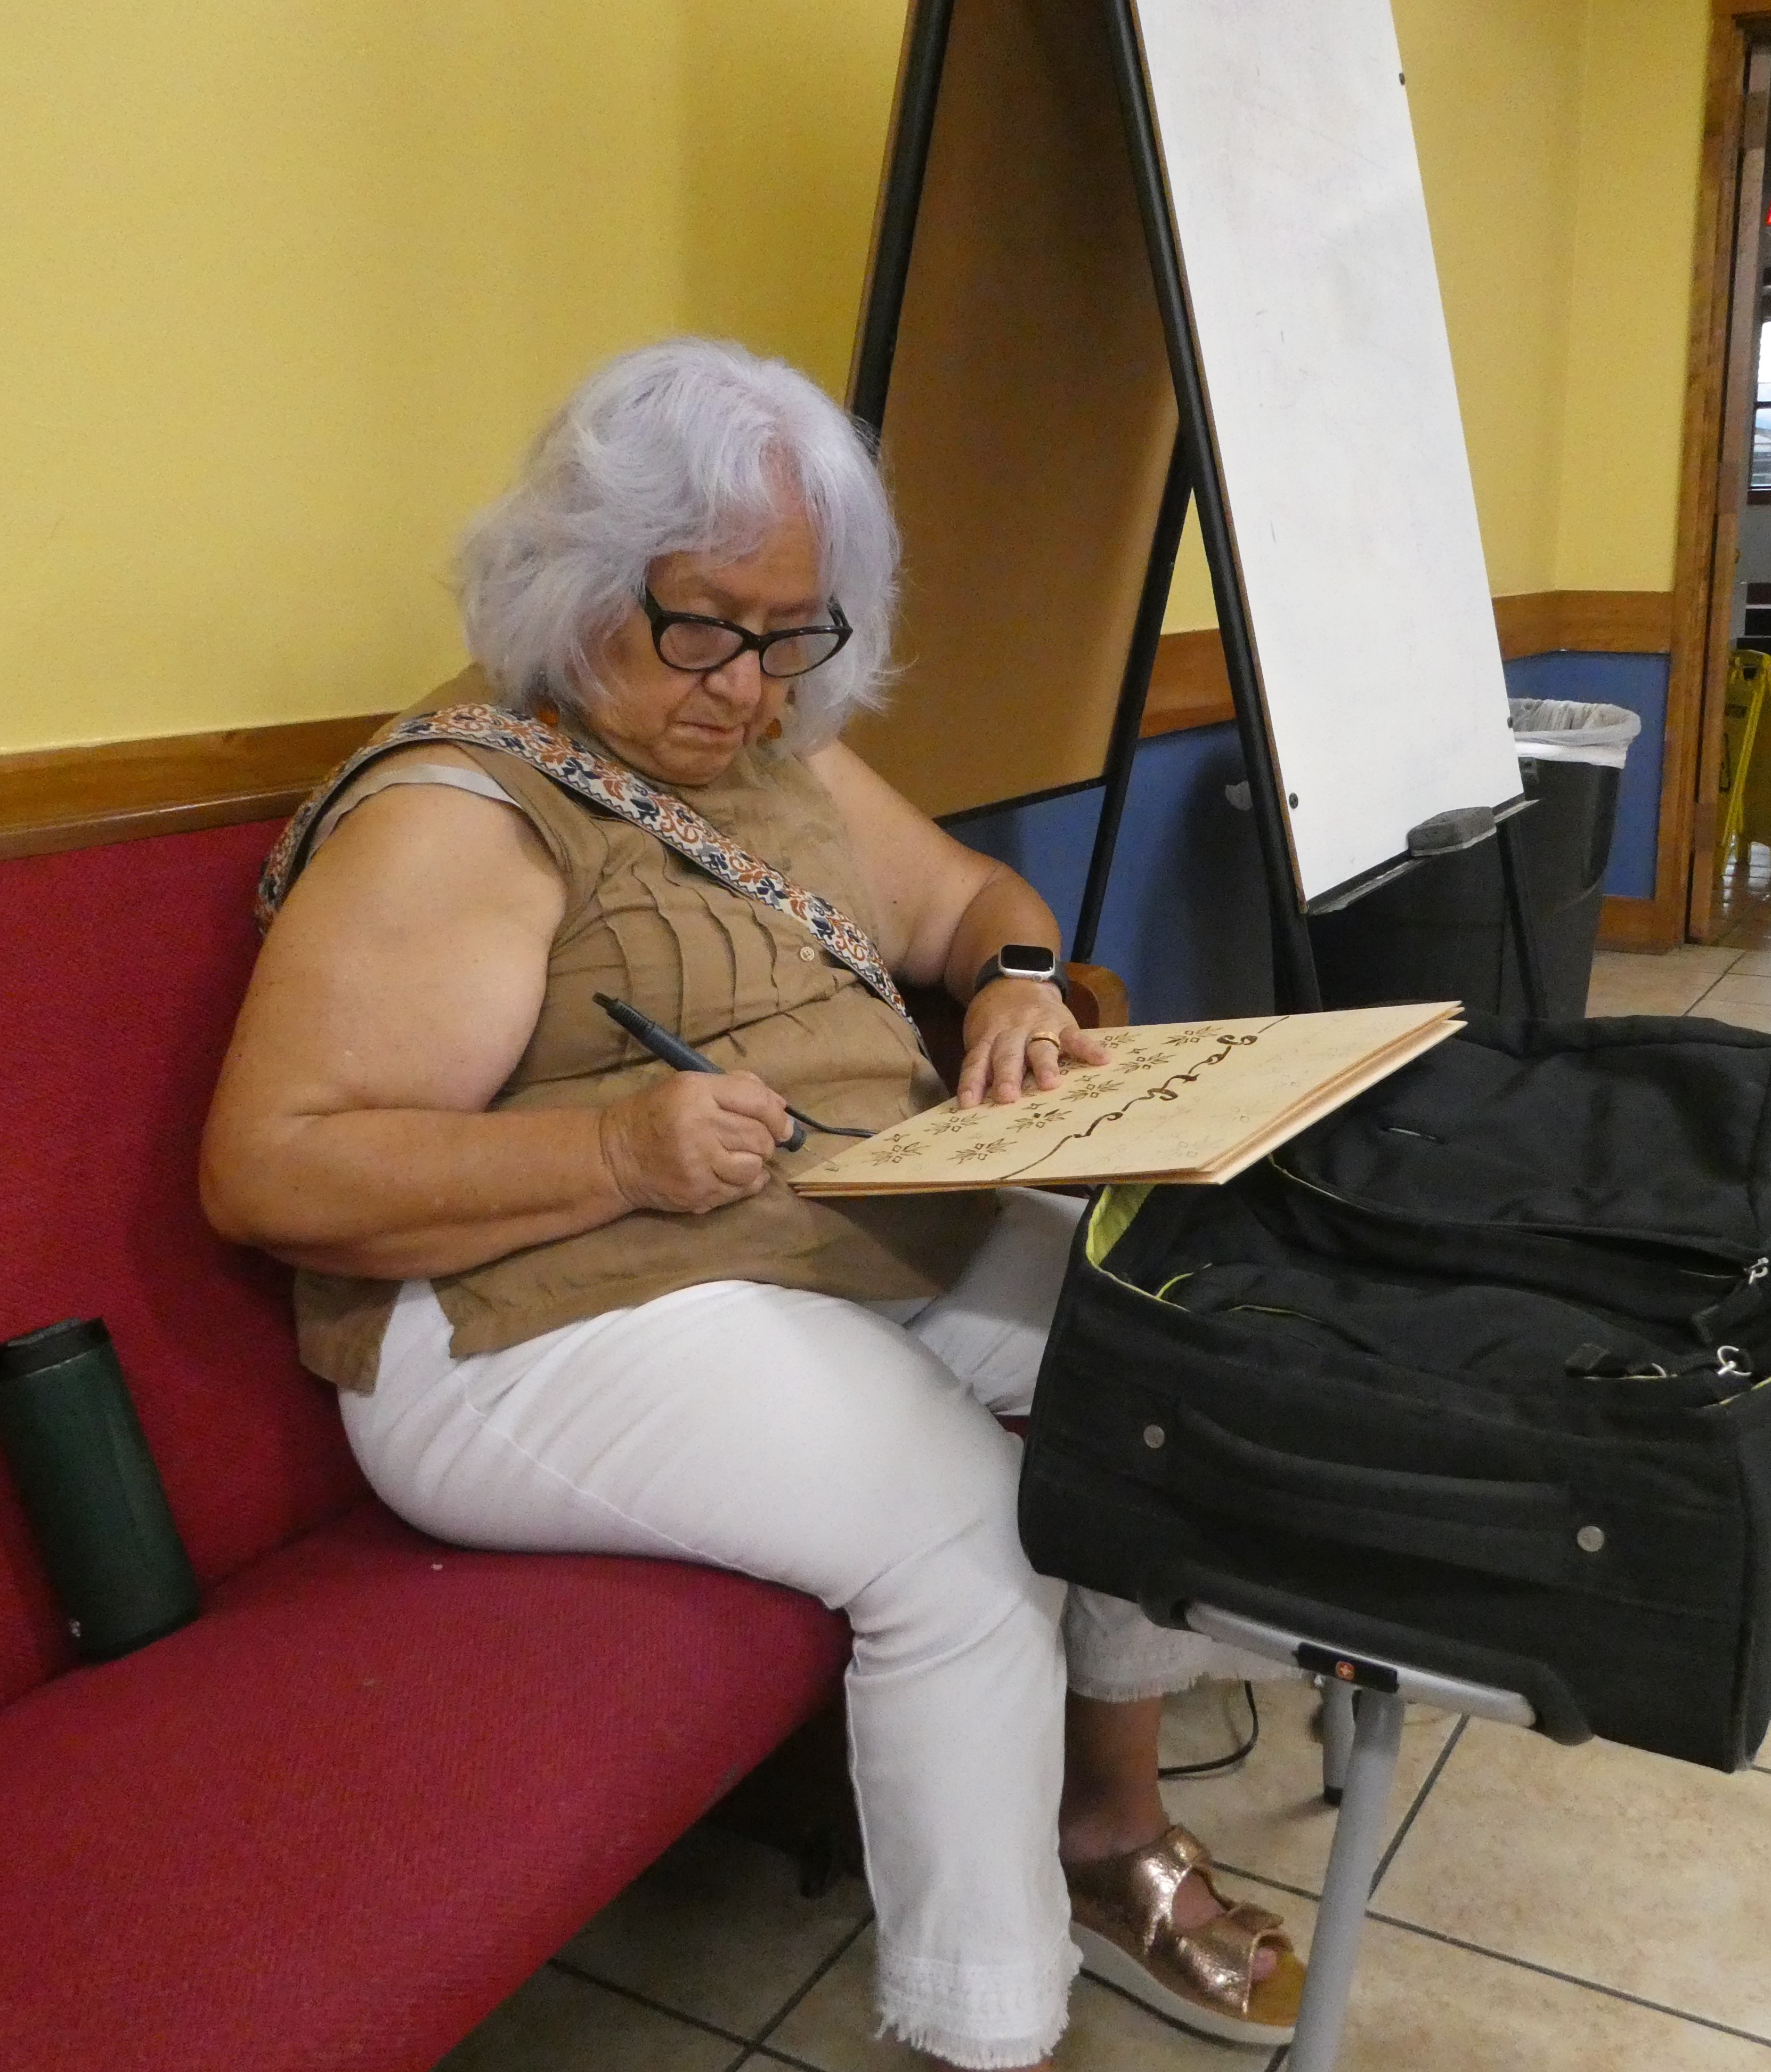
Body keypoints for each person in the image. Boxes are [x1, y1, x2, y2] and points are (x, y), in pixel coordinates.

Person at [200, 337, 1303, 2071]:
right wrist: (612, 1153)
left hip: (806, 1233)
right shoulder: (461, 815)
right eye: (703, 628)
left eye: (794, 635)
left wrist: (1017, 986)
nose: (748, 687)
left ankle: (1105, 1831)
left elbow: (975, 905)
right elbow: (274, 1170)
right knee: (962, 1528)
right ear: (575, 584)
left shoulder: (770, 752)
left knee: (1147, 1350)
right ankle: (987, 2034)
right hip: (521, 1326)